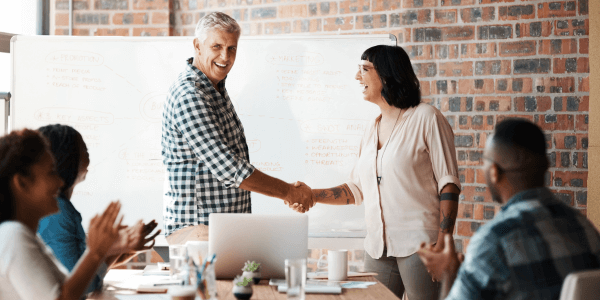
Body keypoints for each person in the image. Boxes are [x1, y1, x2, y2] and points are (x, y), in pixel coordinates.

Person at [289, 45, 461, 300]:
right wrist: (312, 195)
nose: (357, 77)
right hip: (377, 249)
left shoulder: (426, 118)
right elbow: (355, 189)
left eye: (364, 69)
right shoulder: (371, 128)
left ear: (388, 74)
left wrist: (443, 241)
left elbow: (449, 184)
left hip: (421, 247)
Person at [161, 12, 313, 237]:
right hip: (199, 231)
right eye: (217, 46)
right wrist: (289, 192)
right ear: (197, 46)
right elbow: (229, 167)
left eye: (232, 48)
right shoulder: (190, 95)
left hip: (219, 230)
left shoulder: (215, 88)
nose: (225, 56)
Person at [417, 119, 600, 300]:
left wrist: (449, 274)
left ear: (494, 172)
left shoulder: (493, 242)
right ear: (545, 166)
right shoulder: (586, 228)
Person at [37, 124, 161, 294]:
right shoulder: (58, 213)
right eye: (83, 150)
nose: (88, 155)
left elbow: (87, 275)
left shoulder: (63, 208)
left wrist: (122, 247)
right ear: (65, 157)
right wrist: (115, 246)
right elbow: (82, 287)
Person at [0, 129, 123, 300]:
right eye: (51, 173)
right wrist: (95, 252)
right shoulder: (12, 234)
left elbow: (73, 291)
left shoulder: (25, 236)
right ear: (22, 183)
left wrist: (102, 250)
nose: (59, 182)